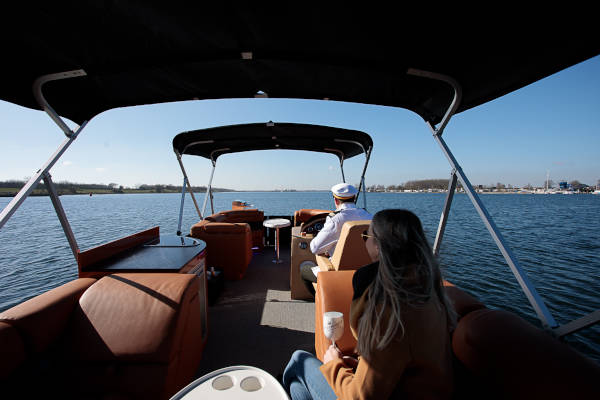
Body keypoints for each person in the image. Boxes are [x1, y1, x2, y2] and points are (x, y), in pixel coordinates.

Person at [283, 209, 457, 399]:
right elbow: (402, 363)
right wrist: (361, 366)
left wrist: (334, 363)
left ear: (378, 247)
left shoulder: (391, 315)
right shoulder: (433, 295)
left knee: (299, 360)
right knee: (297, 385)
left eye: (367, 236)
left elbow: (359, 397)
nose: (365, 241)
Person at [300, 183, 372, 296]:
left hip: (339, 275)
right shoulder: (369, 216)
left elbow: (315, 248)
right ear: (354, 198)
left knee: (304, 270)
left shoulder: (335, 220)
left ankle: (323, 304)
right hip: (366, 273)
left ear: (336, 200)